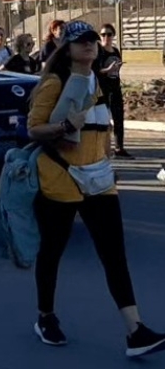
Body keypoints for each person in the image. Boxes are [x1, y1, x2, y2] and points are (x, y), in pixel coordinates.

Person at [27, 20, 165, 357]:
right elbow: (34, 129)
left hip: (99, 181)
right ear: (68, 48)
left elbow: (101, 133)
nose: (89, 45)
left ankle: (135, 331)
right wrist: (63, 126)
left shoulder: (100, 83)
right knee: (52, 252)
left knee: (114, 256)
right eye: (81, 41)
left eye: (92, 40)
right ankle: (45, 316)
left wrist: (109, 167)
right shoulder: (55, 84)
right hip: (60, 179)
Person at [96, 23, 130, 158]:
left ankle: (119, 147)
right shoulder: (99, 52)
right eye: (103, 34)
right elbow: (96, 71)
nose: (106, 37)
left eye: (109, 34)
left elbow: (116, 69)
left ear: (113, 36)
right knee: (104, 119)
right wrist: (108, 70)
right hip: (104, 89)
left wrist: (116, 68)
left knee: (118, 118)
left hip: (115, 87)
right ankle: (102, 148)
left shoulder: (115, 51)